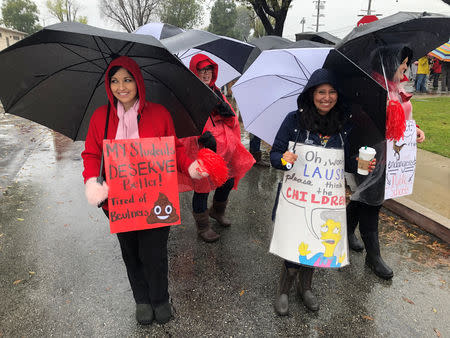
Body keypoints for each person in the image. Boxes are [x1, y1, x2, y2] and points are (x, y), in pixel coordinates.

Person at [81, 56, 209, 325]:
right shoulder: (100, 117)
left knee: (155, 252)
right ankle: (142, 299)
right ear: (109, 85)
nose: (121, 86)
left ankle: (160, 298)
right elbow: (92, 153)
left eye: (127, 79)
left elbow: (173, 151)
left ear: (138, 82)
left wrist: (191, 167)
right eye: (115, 81)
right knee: (131, 251)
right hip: (118, 201)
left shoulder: (159, 114)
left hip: (156, 199)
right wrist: (92, 181)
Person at [270, 68, 360, 315]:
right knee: (295, 243)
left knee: (318, 242)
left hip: (325, 200)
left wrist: (362, 163)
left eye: (332, 92)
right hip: (297, 199)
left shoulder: (343, 124)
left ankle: (306, 287)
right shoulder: (293, 121)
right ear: (312, 94)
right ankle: (284, 289)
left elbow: (348, 163)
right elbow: (275, 156)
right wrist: (284, 159)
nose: (327, 97)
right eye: (321, 92)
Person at [346, 46, 426, 280]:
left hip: (390, 156)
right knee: (372, 202)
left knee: (363, 197)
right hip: (367, 155)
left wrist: (415, 131)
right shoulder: (368, 88)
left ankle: (347, 232)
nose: (405, 68)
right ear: (391, 62)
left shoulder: (394, 89)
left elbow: (404, 121)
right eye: (403, 63)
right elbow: (360, 122)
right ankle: (374, 257)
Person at [178, 54, 255, 242]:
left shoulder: (217, 92)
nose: (205, 74)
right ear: (194, 71)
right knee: (202, 187)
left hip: (225, 149)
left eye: (209, 70)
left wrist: (227, 113)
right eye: (201, 70)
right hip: (202, 149)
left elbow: (231, 121)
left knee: (227, 180)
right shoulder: (188, 96)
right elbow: (182, 124)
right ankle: (203, 226)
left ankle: (217, 211)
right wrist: (200, 137)